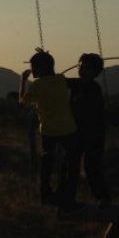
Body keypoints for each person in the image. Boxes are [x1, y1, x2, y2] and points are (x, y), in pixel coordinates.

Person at [19, 49, 84, 215]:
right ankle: (67, 197)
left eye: (33, 67)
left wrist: (22, 81)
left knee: (47, 162)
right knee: (70, 165)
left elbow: (22, 103)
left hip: (49, 131)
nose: (32, 70)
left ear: (38, 69)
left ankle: (47, 194)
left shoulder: (37, 86)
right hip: (69, 129)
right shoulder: (61, 80)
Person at [67, 53, 111, 208]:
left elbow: (66, 82)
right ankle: (69, 200)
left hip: (93, 135)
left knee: (91, 167)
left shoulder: (91, 87)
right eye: (80, 67)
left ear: (95, 72)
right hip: (78, 133)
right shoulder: (79, 85)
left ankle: (104, 199)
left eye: (86, 68)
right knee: (72, 166)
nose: (82, 70)